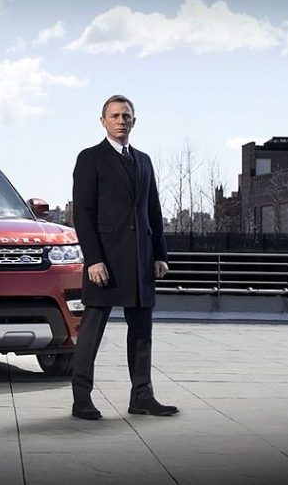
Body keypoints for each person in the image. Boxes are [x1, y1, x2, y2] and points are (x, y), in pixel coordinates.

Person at [71, 94, 178, 420]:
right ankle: (81, 399)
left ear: (134, 121)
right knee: (92, 331)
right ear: (103, 121)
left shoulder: (144, 160)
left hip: (140, 259)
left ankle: (142, 397)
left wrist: (159, 253)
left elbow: (153, 210)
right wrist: (94, 260)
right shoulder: (91, 158)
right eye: (115, 116)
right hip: (105, 261)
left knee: (142, 331)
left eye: (127, 116)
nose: (121, 120)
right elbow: (83, 214)